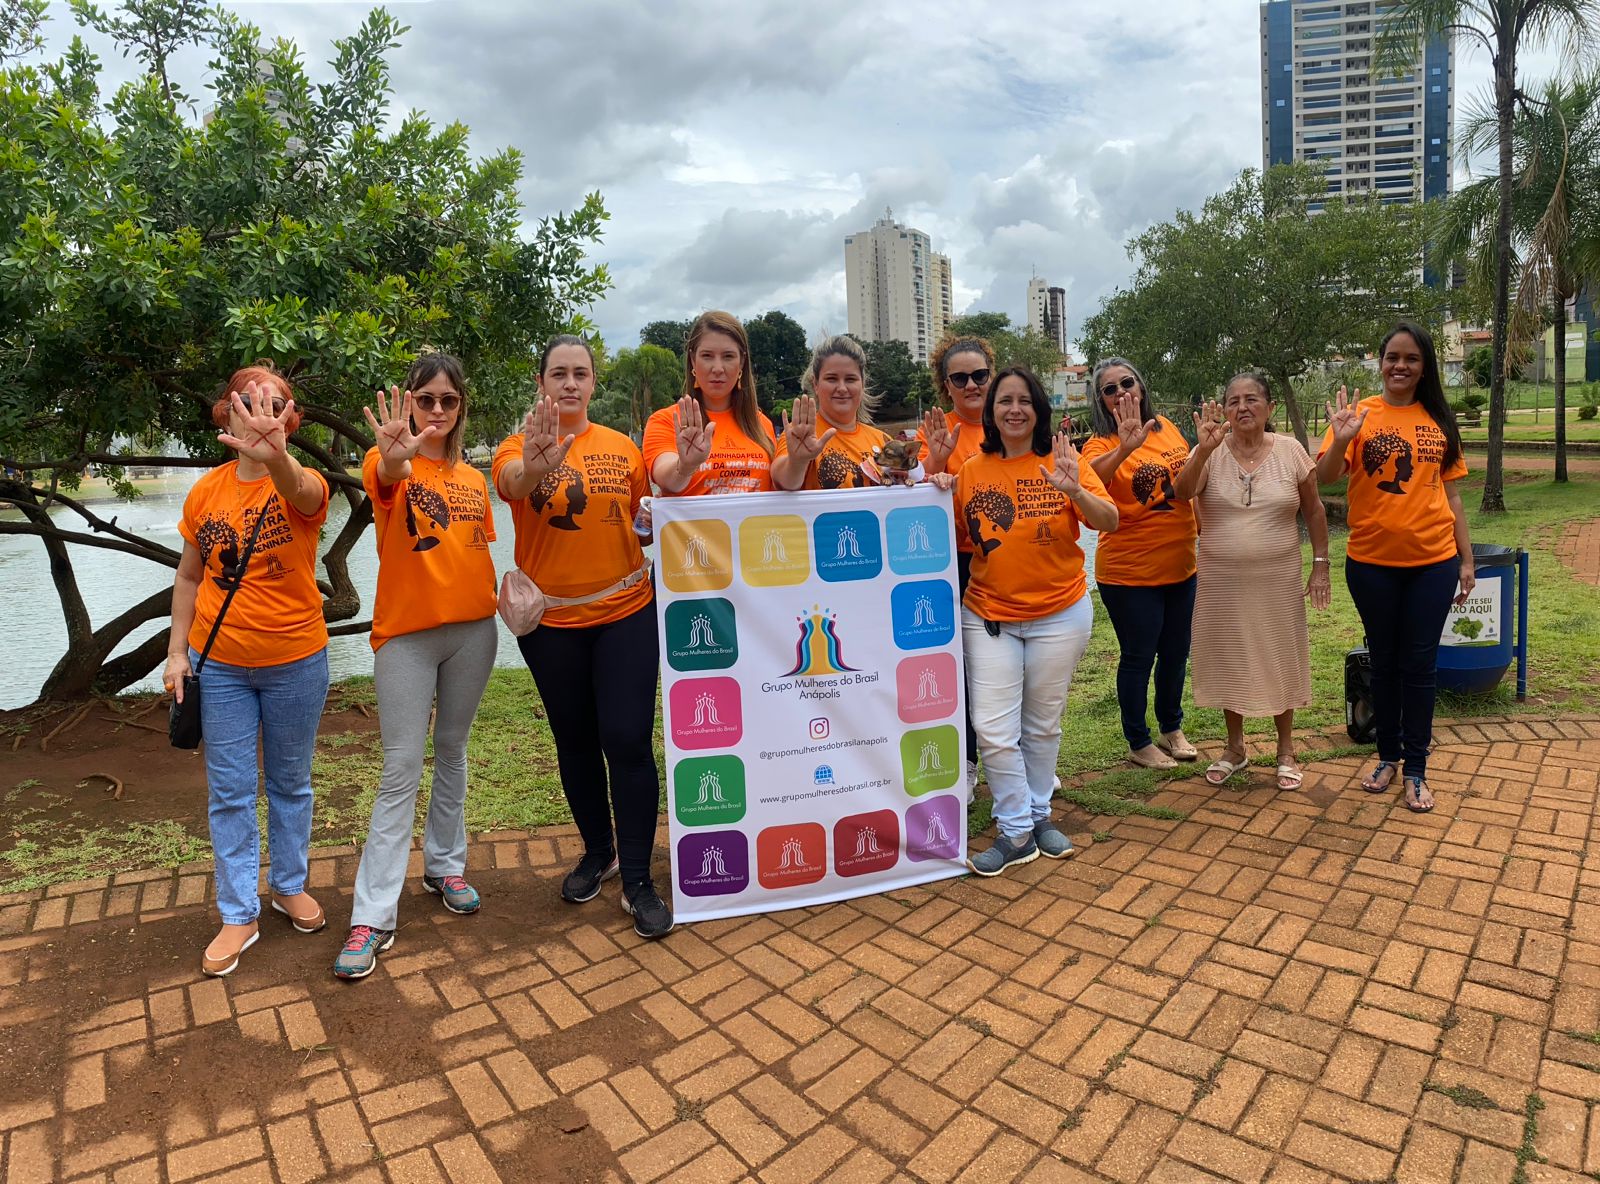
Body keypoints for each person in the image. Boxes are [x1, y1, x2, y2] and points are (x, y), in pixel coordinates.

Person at [494, 335, 672, 938]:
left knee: (625, 739)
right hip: (552, 624)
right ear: (542, 381)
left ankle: (640, 878)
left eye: (581, 373)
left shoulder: (623, 448)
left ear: (594, 382)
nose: (570, 383)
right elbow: (515, 486)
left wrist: (649, 524)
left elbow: (639, 525)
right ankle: (599, 851)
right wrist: (538, 463)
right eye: (558, 373)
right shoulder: (514, 447)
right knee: (574, 740)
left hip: (625, 610)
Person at [334, 357, 500, 980]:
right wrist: (396, 452)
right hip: (406, 638)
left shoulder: (473, 480)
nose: (436, 411)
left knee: (453, 749)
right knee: (401, 766)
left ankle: (444, 865)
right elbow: (388, 471)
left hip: (473, 634)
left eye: (447, 401)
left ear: (461, 408)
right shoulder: (389, 465)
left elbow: (475, 553)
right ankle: (372, 915)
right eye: (425, 399)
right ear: (409, 406)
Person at [163, 365, 331, 977]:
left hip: (296, 662)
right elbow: (188, 576)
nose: (262, 411)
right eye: (249, 401)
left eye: (276, 404)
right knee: (230, 792)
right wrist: (177, 652)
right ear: (225, 412)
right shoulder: (205, 492)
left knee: (291, 782)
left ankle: (289, 884)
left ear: (290, 420)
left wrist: (277, 458)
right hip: (221, 666)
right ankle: (238, 911)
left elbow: (306, 495)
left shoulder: (301, 483)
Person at [940, 366, 1119, 874]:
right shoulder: (972, 470)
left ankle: (1037, 817)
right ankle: (1016, 828)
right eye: (1004, 401)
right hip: (989, 615)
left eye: (1024, 400)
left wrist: (1075, 490)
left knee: (1041, 726)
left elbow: (1110, 520)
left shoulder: (1065, 459)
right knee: (993, 729)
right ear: (992, 413)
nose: (1014, 409)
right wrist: (929, 478)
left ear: (1039, 409)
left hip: (1060, 614)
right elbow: (946, 528)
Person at [1316, 322, 1473, 814]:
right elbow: (1324, 478)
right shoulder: (1358, 415)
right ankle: (1387, 757)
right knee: (1384, 662)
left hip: (1433, 564)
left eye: (1411, 358)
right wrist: (1342, 439)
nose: (1400, 366)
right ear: (1380, 363)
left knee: (1420, 667)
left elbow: (1451, 494)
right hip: (1371, 564)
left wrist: (1466, 559)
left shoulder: (1439, 420)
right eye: (1392, 357)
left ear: (1424, 366)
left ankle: (1418, 770)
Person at [1172, 373, 1331, 790]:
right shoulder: (1209, 451)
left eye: (1252, 399)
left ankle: (1285, 750)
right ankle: (1235, 748)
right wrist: (1202, 453)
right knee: (1229, 658)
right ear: (1223, 409)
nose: (1242, 407)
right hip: (1221, 580)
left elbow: (1314, 511)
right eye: (1233, 401)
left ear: (1270, 407)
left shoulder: (1292, 451)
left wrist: (1320, 563)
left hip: (1277, 577)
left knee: (1280, 655)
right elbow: (1180, 492)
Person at [1081, 358, 1200, 770]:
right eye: (1109, 390)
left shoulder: (1165, 426)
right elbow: (1090, 477)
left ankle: (1172, 727)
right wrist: (1125, 447)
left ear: (1141, 386)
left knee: (1175, 653)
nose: (1120, 393)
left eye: (1126, 383)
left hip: (1181, 565)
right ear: (1101, 401)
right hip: (1130, 573)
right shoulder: (1098, 443)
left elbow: (1188, 485)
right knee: (1138, 656)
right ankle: (1138, 740)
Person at [917, 334, 996, 793]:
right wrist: (935, 464)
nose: (972, 385)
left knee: (1011, 666)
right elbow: (906, 491)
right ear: (946, 385)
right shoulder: (935, 430)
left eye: (980, 375)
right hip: (953, 566)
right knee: (961, 668)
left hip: (1006, 563)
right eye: (960, 378)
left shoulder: (1012, 421)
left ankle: (1021, 754)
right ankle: (965, 763)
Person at [642, 311, 775, 497]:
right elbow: (667, 477)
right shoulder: (665, 421)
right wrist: (685, 466)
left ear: (742, 362)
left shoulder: (762, 425)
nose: (718, 368)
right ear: (693, 361)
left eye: (728, 356)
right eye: (707, 356)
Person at [772, 335, 919, 490]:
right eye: (831, 379)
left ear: (862, 384)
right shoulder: (800, 437)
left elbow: (910, 486)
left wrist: (936, 480)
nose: (842, 388)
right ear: (815, 384)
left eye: (850, 379)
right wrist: (797, 462)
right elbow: (783, 481)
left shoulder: (884, 441)